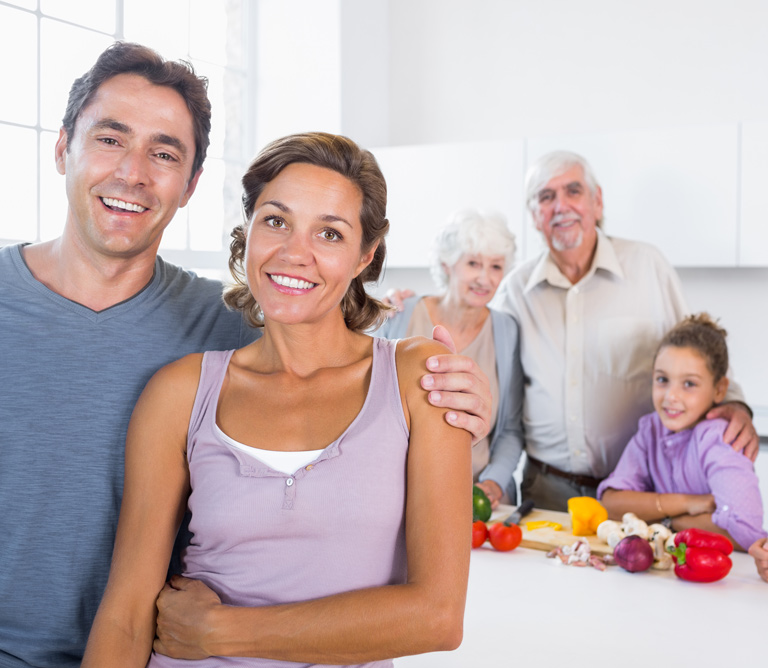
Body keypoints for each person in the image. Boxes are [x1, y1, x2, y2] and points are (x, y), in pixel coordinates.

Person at [0, 43, 490, 668]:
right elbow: (129, 607)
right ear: (63, 146)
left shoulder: (226, 324)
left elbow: (437, 615)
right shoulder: (188, 382)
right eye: (110, 138)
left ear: (190, 184)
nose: (134, 172)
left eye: (164, 152)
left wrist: (470, 404)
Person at [82, 132, 471, 666]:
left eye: (330, 233)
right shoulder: (181, 392)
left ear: (365, 256)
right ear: (248, 233)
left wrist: (222, 631)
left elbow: (437, 618)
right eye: (276, 220)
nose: (295, 252)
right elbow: (126, 614)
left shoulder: (417, 379)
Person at [491, 150, 757, 510]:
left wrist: (735, 403)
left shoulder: (648, 266)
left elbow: (699, 349)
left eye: (573, 191)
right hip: (546, 491)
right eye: (546, 196)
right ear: (534, 216)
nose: (561, 206)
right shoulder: (514, 290)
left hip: (640, 490)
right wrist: (411, 304)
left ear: (597, 202)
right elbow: (483, 354)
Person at [598, 314, 768, 581]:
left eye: (689, 384)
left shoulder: (720, 438)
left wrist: (660, 521)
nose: (671, 396)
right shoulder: (650, 429)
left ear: (720, 389)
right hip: (668, 580)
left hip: (721, 583)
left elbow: (743, 530)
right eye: (662, 379)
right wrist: (688, 504)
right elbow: (610, 502)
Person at [376, 209, 523, 508]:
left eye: (496, 266)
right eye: (472, 264)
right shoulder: (400, 313)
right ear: (447, 264)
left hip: (479, 501)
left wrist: (493, 482)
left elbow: (509, 428)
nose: (485, 278)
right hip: (402, 495)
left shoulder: (507, 330)